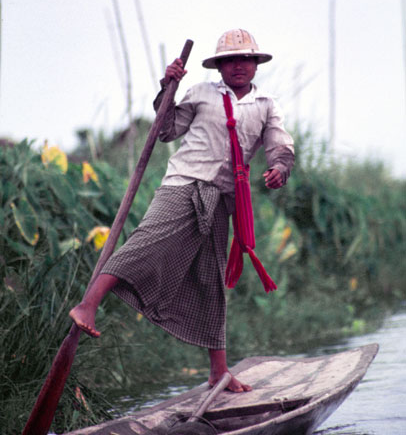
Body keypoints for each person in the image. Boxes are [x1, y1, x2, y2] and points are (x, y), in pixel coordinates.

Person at [69, 29, 294, 393]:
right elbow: (167, 128)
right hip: (184, 185)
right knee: (144, 245)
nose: (238, 66)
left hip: (222, 198)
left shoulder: (267, 105)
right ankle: (87, 305)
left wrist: (279, 169)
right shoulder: (202, 93)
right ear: (219, 67)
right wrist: (167, 88)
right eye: (230, 61)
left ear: (255, 65)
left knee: (211, 279)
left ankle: (218, 372)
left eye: (245, 60)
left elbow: (279, 146)